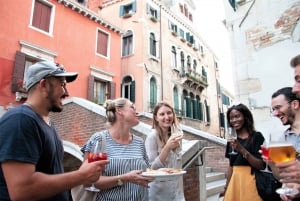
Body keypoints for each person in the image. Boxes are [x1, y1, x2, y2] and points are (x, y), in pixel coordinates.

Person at [0, 61, 108, 201]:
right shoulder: (20, 120)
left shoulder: (49, 123)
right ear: (43, 85)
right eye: (62, 84)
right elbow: (22, 189)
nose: (66, 93)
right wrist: (81, 176)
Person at [81, 98, 153, 201]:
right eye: (132, 107)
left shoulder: (139, 142)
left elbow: (148, 172)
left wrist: (161, 172)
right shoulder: (100, 141)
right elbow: (89, 181)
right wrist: (124, 178)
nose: (137, 112)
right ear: (119, 111)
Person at [221, 103, 265, 201]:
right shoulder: (232, 141)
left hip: (251, 180)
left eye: (237, 116)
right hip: (235, 182)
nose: (234, 120)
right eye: (231, 118)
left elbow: (261, 165)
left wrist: (241, 149)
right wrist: (226, 188)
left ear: (245, 117)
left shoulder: (256, 137)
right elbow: (231, 166)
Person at [145, 101, 185, 201]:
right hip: (159, 193)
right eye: (162, 114)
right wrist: (167, 148)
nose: (167, 117)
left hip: (177, 190)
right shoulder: (152, 137)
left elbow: (177, 165)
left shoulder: (175, 134)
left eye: (169, 113)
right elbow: (151, 168)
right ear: (156, 118)